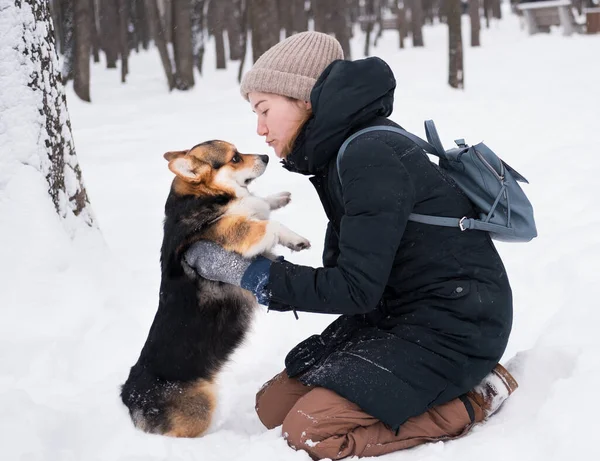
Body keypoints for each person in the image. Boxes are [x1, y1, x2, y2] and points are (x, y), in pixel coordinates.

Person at [184, 31, 517, 460]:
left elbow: (355, 289)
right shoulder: (345, 151)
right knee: (272, 408)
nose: (260, 129)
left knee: (310, 432)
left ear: (304, 99)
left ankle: (475, 398)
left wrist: (246, 273)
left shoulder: (369, 153)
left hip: (453, 328)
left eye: (264, 110)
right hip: (398, 317)